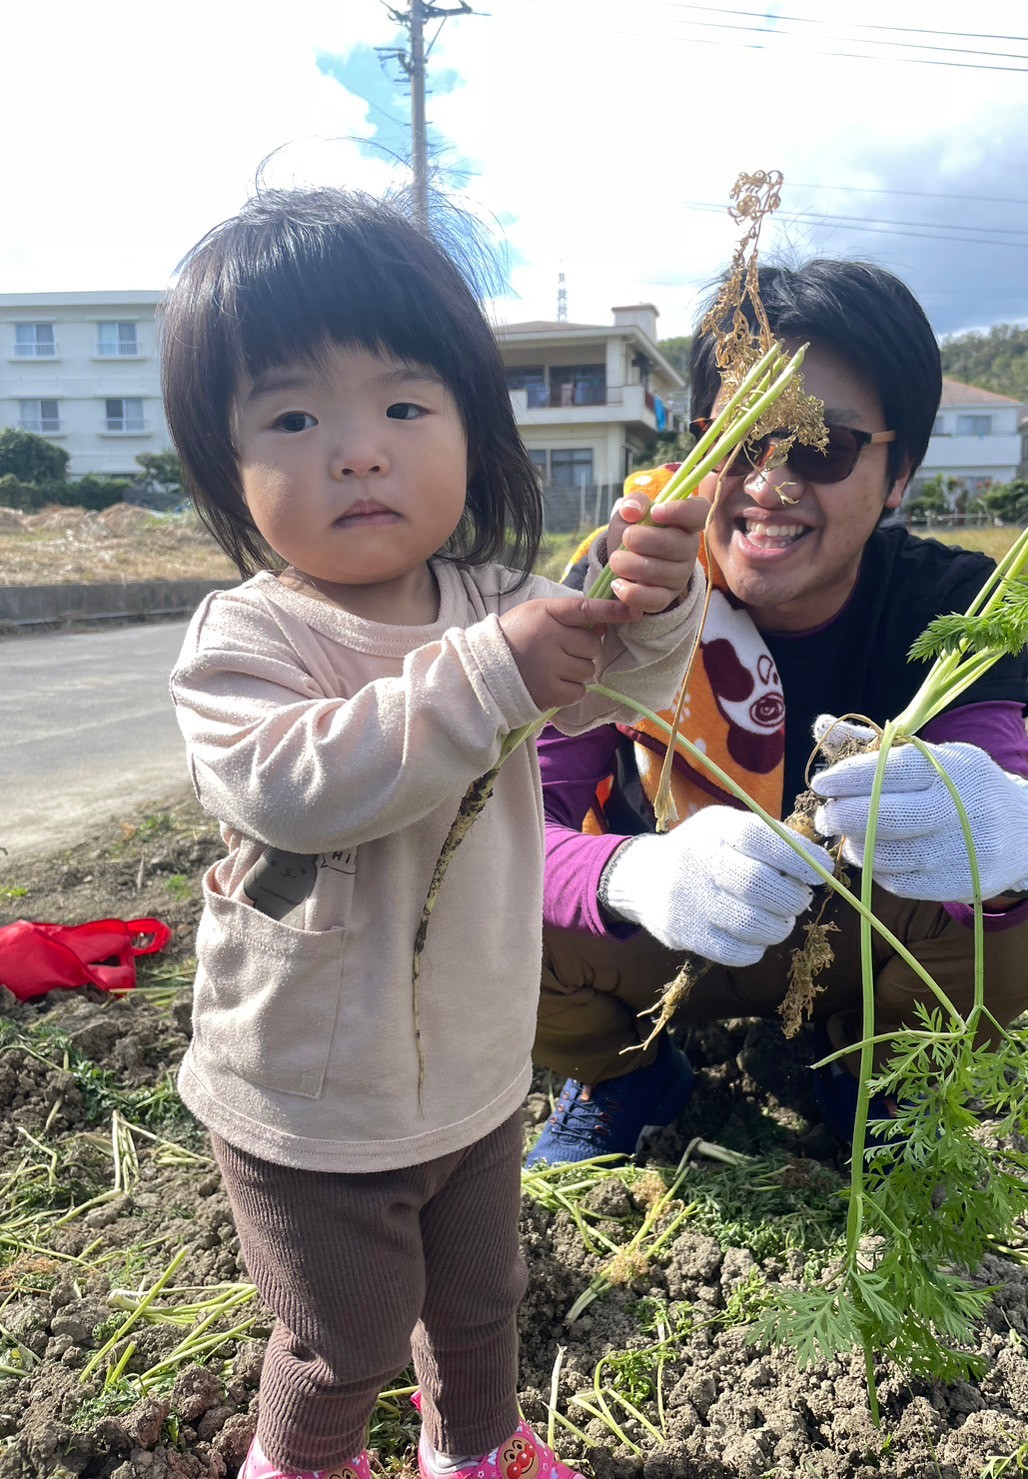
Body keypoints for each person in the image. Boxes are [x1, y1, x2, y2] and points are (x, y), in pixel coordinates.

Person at [162, 186, 711, 1479]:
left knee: (479, 1299)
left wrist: (657, 600)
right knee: (338, 1334)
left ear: (472, 425)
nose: (357, 449)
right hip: (309, 1093)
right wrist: (490, 675)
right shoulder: (247, 640)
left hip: (474, 1066)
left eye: (405, 405)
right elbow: (299, 782)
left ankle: (475, 1446)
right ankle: (302, 1461)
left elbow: (629, 683)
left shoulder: (499, 599)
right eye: (293, 416)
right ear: (223, 464)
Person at [528, 258, 1028, 1169]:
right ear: (698, 447)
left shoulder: (949, 602)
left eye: (819, 447)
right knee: (471, 909)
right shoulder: (622, 583)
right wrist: (636, 874)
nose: (768, 484)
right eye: (738, 441)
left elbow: (997, 804)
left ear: (896, 475)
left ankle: (870, 1065)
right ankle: (622, 1078)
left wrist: (1010, 836)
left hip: (856, 941)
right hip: (667, 940)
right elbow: (523, 832)